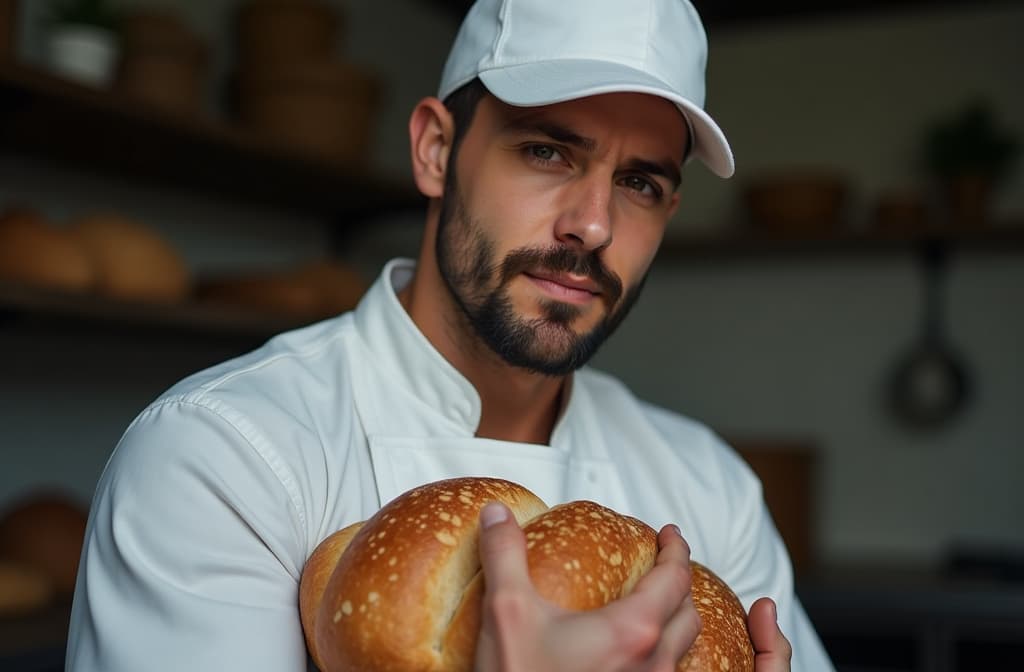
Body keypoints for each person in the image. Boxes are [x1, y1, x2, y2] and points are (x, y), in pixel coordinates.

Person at [66, 0, 834, 670]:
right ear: (435, 150)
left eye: (640, 182)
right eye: (547, 150)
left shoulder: (711, 489)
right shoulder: (225, 458)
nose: (594, 225)